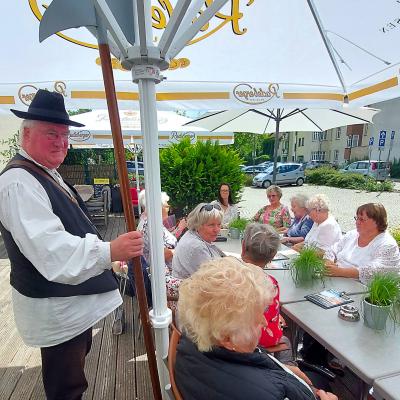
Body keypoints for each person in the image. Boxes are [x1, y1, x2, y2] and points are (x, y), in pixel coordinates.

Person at [0, 90, 144, 400]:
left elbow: (73, 227)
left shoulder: (43, 172)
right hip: (56, 309)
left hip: (70, 304)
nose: (61, 142)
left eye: (65, 135)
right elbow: (51, 250)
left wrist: (108, 258)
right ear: (26, 134)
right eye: (51, 133)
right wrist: (109, 251)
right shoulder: (17, 183)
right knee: (67, 389)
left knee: (72, 379)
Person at [175, 257, 338, 400]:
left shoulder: (192, 340)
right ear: (226, 337)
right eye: (256, 318)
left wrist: (282, 370)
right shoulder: (266, 395)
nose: (265, 322)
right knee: (322, 381)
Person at [241, 223, 293, 361]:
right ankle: (290, 368)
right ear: (273, 256)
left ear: (243, 246)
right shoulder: (270, 284)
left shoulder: (228, 274)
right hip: (251, 343)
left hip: (226, 338)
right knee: (285, 340)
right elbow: (271, 332)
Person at [324, 203, 400, 284]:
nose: (357, 222)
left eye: (362, 219)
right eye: (357, 218)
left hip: (363, 289)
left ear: (377, 222)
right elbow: (333, 249)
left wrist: (340, 272)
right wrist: (328, 260)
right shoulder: (352, 234)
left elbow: (376, 271)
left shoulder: (387, 244)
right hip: (336, 280)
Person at [172, 202, 225, 279]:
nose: (216, 230)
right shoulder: (196, 247)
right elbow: (214, 279)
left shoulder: (192, 235)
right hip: (192, 289)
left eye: (219, 224)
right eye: (211, 225)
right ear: (198, 225)